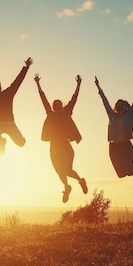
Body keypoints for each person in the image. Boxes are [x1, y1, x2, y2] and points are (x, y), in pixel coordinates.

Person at [35, 73, 88, 203]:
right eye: (55, 105)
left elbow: (74, 99)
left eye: (59, 105)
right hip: (54, 147)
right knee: (60, 171)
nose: (57, 106)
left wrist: (78, 85)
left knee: (67, 170)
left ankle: (81, 181)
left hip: (65, 146)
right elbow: (43, 99)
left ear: (61, 106)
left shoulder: (67, 112)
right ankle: (67, 187)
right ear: (53, 107)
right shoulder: (50, 114)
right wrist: (38, 84)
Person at [95, 76, 133, 184]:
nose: (119, 107)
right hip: (113, 147)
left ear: (125, 107)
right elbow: (105, 102)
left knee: (128, 170)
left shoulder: (129, 115)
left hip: (126, 146)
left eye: (122, 105)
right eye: (118, 106)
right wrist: (98, 87)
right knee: (121, 174)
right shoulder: (112, 116)